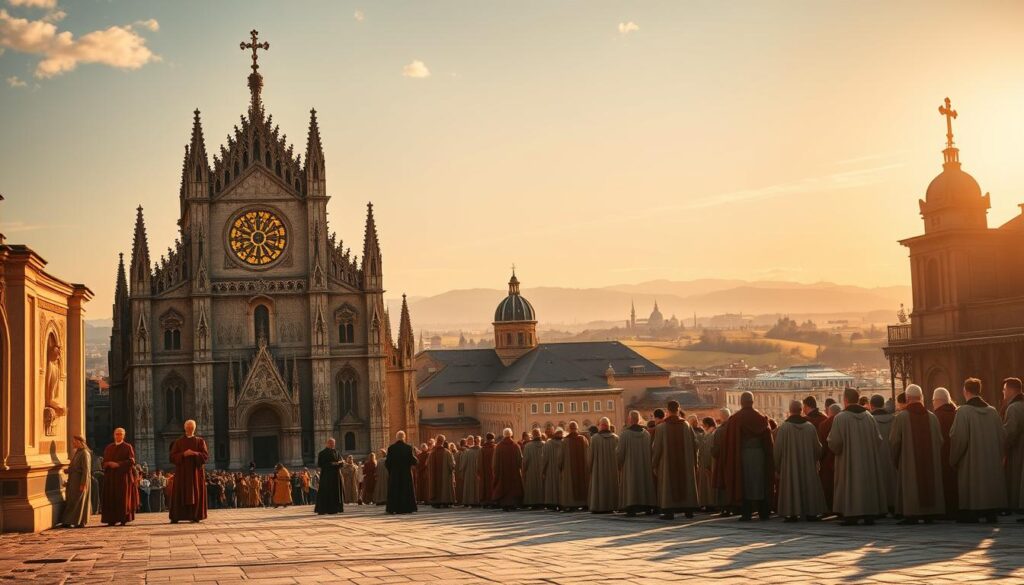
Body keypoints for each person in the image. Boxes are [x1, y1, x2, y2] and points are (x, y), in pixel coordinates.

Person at [827, 387, 888, 526]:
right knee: (867, 484)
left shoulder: (840, 418)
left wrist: (841, 450)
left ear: (846, 400)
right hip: (867, 461)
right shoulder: (869, 417)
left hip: (848, 461)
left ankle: (851, 514)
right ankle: (869, 513)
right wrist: (868, 451)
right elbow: (878, 440)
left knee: (850, 485)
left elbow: (834, 442)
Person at [949, 377, 1007, 523]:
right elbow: (1002, 438)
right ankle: (990, 511)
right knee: (989, 484)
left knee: (972, 487)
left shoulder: (963, 412)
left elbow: (958, 439)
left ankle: (972, 512)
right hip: (991, 460)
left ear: (965, 391)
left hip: (971, 462)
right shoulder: (993, 412)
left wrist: (954, 459)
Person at [890, 384, 944, 524]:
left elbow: (894, 442)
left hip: (910, 463)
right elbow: (939, 441)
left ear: (907, 398)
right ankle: (929, 512)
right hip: (930, 463)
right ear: (921, 398)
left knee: (911, 484)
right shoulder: (932, 417)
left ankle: (912, 513)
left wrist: (897, 460)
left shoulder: (902, 417)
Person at [722, 392, 774, 521]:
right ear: (752, 401)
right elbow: (769, 442)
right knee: (760, 482)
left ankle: (746, 513)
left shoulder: (735, 418)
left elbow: (729, 442)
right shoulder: (761, 418)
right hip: (760, 455)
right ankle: (763, 512)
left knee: (744, 483)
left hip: (743, 456)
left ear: (741, 402)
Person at [774, 401, 826, 522]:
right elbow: (818, 448)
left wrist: (778, 467)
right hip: (808, 465)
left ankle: (791, 513)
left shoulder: (784, 428)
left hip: (789, 467)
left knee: (792, 487)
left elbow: (777, 450)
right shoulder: (810, 427)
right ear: (801, 410)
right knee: (809, 486)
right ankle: (811, 512)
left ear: (790, 411)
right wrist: (815, 459)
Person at [652, 400, 698, 520]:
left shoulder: (661, 427)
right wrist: (694, 461)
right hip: (686, 464)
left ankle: (669, 511)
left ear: (667, 411)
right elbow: (695, 443)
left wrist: (654, 464)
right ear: (678, 409)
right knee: (686, 482)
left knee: (668, 483)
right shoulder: (686, 425)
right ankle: (689, 510)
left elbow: (656, 448)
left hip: (667, 465)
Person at [168, 419, 208, 523]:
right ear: (185, 428)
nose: (190, 429)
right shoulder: (178, 442)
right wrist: (183, 455)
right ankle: (177, 516)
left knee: (195, 492)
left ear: (194, 428)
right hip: (182, 474)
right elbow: (172, 457)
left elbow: (205, 456)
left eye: (191, 427)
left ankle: (195, 516)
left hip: (195, 473)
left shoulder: (200, 441)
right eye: (188, 427)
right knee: (180, 493)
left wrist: (195, 453)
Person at [617, 410, 656, 516]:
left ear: (630, 419)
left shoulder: (625, 434)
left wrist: (619, 464)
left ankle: (631, 507)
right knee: (644, 484)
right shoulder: (646, 434)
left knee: (632, 485)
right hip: (644, 466)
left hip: (630, 467)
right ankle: (647, 506)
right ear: (639, 420)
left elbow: (620, 452)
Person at [101, 427, 136, 526]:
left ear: (124, 436)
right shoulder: (109, 447)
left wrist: (118, 464)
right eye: (117, 434)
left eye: (120, 434)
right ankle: (111, 519)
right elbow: (104, 461)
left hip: (122, 478)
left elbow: (131, 461)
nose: (118, 436)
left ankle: (123, 518)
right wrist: (107, 464)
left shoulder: (127, 447)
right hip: (110, 478)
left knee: (122, 498)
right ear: (114, 435)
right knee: (110, 498)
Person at [931, 387, 957, 519]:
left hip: (941, 454)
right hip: (957, 455)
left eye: (933, 400)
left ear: (937, 400)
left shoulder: (935, 417)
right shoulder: (957, 413)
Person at [869, 394, 897, 514]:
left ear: (871, 406)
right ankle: (894, 504)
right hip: (892, 454)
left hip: (876, 456)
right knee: (893, 480)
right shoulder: (894, 419)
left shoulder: (869, 420)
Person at [1001, 377, 1024, 514]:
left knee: (1017, 481)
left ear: (1010, 390)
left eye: (1004, 390)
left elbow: (1009, 433)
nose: (1003, 393)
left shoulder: (1014, 408)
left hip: (1018, 452)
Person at [587, 417, 619, 514]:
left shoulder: (594, 439)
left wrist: (590, 467)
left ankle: (599, 506)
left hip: (598, 469)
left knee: (598, 486)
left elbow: (590, 456)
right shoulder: (616, 438)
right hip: (612, 469)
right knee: (611, 485)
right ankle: (612, 505)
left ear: (601, 426)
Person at [61, 435, 92, 528]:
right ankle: (72, 520)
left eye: (74, 441)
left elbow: (86, 470)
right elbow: (75, 467)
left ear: (79, 442)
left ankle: (78, 521)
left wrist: (83, 483)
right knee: (73, 500)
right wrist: (67, 471)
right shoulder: (78, 452)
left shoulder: (85, 453)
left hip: (80, 481)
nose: (73, 443)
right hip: (74, 480)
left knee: (78, 501)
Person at [559, 421, 590, 512]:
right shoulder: (584, 440)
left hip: (569, 471)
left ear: (569, 429)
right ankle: (584, 503)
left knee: (570, 485)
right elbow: (588, 455)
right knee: (583, 483)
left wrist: (560, 466)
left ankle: (571, 504)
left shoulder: (565, 441)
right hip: (582, 470)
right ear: (577, 429)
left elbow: (560, 457)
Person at [493, 428, 525, 511]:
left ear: (504, 435)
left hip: (502, 471)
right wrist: (520, 469)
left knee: (503, 486)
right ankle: (513, 503)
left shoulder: (499, 446)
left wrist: (496, 470)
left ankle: (505, 504)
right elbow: (520, 459)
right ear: (511, 434)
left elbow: (495, 461)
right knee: (513, 487)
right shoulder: (515, 445)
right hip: (514, 471)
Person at [386, 431, 418, 514]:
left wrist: (391, 471)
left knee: (394, 490)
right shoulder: (408, 448)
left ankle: (393, 508)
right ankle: (406, 508)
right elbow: (413, 461)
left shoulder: (391, 448)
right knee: (405, 490)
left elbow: (387, 462)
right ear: (404, 437)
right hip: (406, 474)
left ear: (397, 437)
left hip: (395, 474)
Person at [818, 403, 841, 515]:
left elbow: (822, 445)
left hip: (828, 459)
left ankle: (830, 508)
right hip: (842, 458)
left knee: (828, 486)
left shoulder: (824, 424)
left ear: (829, 413)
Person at [710, 408, 732, 516]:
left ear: (722, 417)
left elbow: (716, 450)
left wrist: (712, 451)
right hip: (734, 461)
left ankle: (725, 508)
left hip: (722, 462)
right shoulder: (734, 428)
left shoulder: (720, 431)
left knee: (723, 485)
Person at [314, 438, 343, 514]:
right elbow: (321, 464)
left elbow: (341, 462)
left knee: (335, 492)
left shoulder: (337, 452)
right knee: (326, 492)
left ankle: (335, 509)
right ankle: (324, 509)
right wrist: (332, 464)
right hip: (326, 476)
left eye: (333, 443)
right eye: (331, 443)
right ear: (327, 443)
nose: (332, 444)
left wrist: (339, 463)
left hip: (336, 476)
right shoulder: (322, 453)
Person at [428, 435, 456, 508]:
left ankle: (436, 501)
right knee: (445, 486)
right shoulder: (447, 453)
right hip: (445, 477)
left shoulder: (431, 453)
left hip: (435, 477)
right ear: (443, 441)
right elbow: (452, 465)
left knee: (435, 484)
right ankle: (445, 501)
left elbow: (427, 464)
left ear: (436, 441)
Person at [696, 417, 717, 510]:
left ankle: (711, 504)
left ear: (707, 425)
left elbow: (709, 450)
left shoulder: (711, 434)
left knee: (709, 485)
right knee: (706, 485)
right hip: (705, 463)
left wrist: (708, 464)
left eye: (703, 424)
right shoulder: (708, 434)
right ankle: (707, 503)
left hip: (708, 463)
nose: (702, 426)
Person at [541, 427, 564, 510]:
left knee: (551, 486)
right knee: (561, 486)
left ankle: (552, 503)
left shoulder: (548, 444)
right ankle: (561, 502)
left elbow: (544, 459)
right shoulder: (564, 443)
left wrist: (543, 470)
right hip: (562, 469)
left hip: (550, 469)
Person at [522, 429, 545, 509]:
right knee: (541, 486)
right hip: (542, 470)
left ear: (533, 435)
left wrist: (524, 471)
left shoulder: (528, 446)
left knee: (532, 486)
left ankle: (533, 502)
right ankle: (542, 502)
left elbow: (525, 460)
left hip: (531, 470)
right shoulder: (545, 444)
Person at [457, 436, 481, 506]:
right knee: (477, 487)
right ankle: (478, 500)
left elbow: (463, 464)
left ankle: (470, 501)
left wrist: (461, 471)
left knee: (470, 487)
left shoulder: (468, 452)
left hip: (469, 473)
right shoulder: (481, 450)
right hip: (478, 473)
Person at [479, 433, 497, 507]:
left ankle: (485, 501)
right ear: (493, 439)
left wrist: (479, 471)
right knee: (493, 485)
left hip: (485, 471)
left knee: (485, 485)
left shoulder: (482, 449)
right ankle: (493, 501)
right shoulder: (495, 448)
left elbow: (480, 461)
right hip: (493, 471)